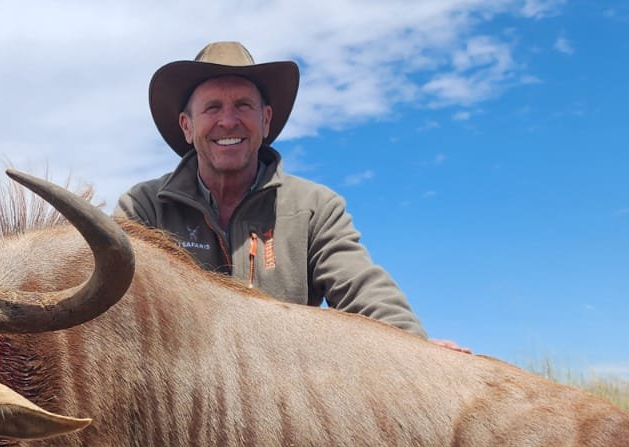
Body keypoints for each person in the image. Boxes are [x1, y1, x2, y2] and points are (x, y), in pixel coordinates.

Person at [117, 41, 464, 349]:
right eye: (211, 108)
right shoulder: (143, 208)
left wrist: (416, 348)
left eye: (243, 106)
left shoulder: (315, 207)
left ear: (266, 120)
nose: (228, 121)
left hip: (284, 404)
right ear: (187, 126)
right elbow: (115, 309)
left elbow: (361, 286)